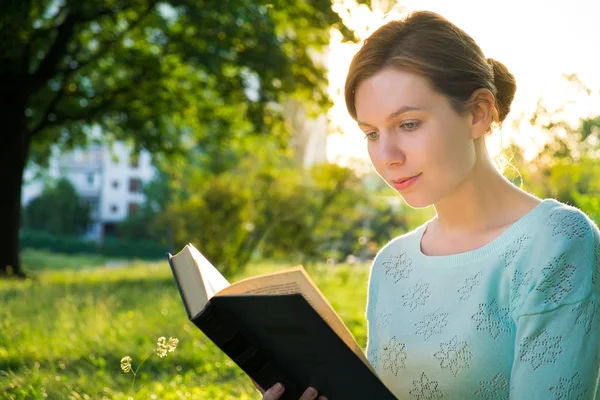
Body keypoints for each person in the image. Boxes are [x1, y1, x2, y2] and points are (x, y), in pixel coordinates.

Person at [261, 9, 600, 400]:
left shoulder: (556, 242)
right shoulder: (393, 264)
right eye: (371, 133)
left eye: (408, 125)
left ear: (478, 113)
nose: (387, 155)